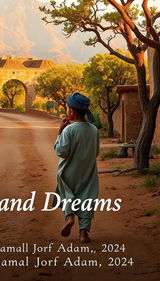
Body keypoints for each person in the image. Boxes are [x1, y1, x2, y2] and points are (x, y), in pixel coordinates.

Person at [53, 92, 99, 243]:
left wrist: (60, 132)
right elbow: (96, 151)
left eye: (67, 108)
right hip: (88, 172)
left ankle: (70, 217)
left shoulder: (69, 130)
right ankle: (84, 233)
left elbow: (61, 151)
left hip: (68, 172)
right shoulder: (94, 130)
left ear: (71, 111)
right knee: (87, 198)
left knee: (68, 194)